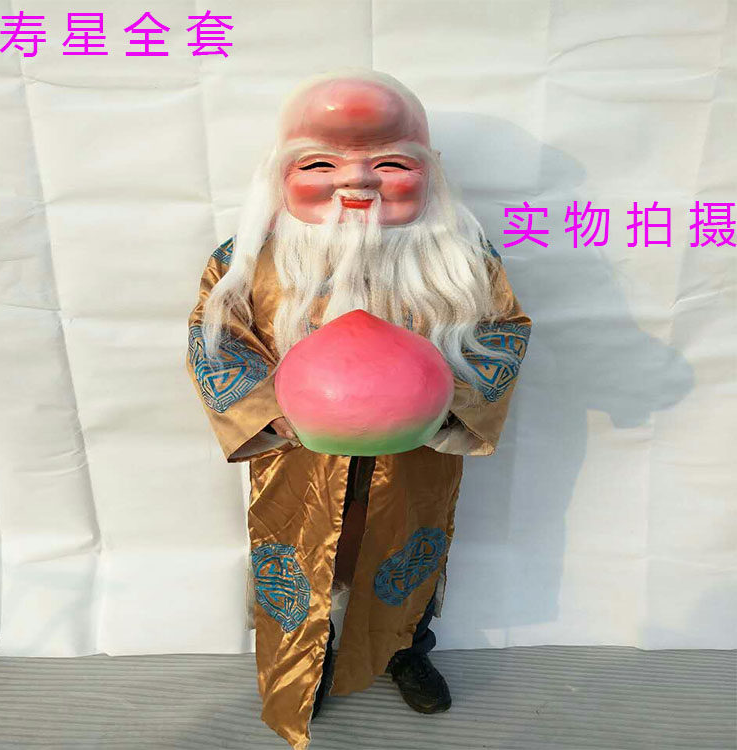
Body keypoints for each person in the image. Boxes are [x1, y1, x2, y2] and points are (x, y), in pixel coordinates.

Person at [186, 68, 532, 750]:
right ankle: (302, 666)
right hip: (299, 457)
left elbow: (502, 331)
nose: (356, 182)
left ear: (429, 172)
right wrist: (269, 411)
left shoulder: (459, 257)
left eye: (391, 163)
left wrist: (449, 406)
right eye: (320, 163)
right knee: (304, 556)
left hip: (415, 455)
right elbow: (216, 339)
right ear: (281, 173)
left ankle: (405, 647)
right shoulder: (249, 260)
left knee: (408, 553)